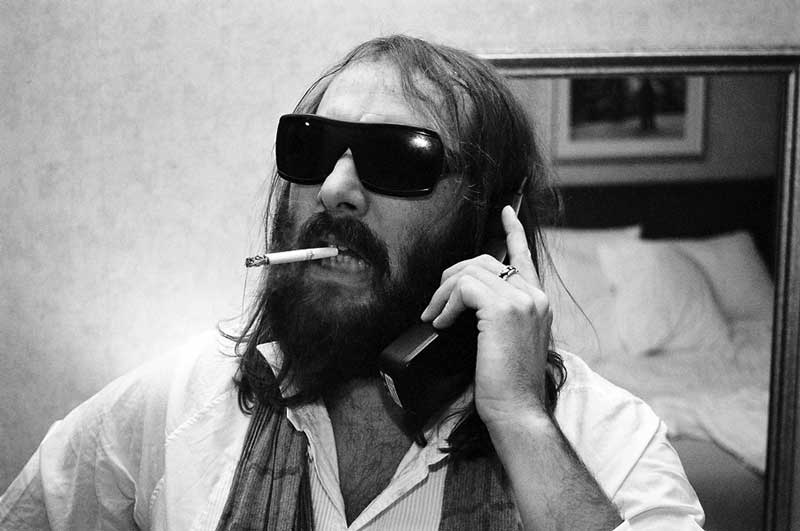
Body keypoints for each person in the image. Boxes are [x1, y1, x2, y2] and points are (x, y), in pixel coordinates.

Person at [0, 35, 704, 530]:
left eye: (395, 159)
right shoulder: (180, 401)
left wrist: (520, 420)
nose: (335, 189)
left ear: (493, 216)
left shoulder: (607, 440)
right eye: (311, 149)